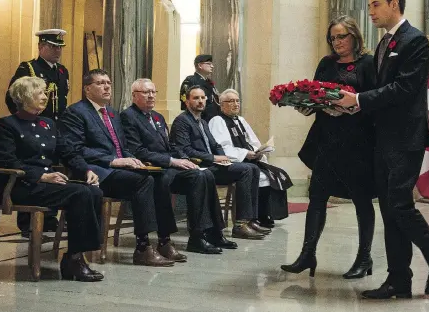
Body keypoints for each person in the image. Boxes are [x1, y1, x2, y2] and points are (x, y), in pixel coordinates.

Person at [334, 0, 429, 298]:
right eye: (369, 5)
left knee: (400, 204)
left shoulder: (416, 41)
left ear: (394, 3)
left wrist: (357, 98)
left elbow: (403, 90)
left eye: (375, 5)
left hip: (406, 138)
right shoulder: (385, 42)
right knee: (389, 209)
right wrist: (344, 103)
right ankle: (398, 280)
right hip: (382, 139)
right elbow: (377, 90)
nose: (370, 12)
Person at [280, 15, 377, 279]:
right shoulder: (326, 63)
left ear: (354, 36)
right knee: (317, 197)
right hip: (327, 139)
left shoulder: (368, 63)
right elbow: (315, 96)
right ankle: (307, 254)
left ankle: (364, 257)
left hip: (357, 142)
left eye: (341, 36)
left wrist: (349, 109)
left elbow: (373, 102)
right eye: (332, 37)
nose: (336, 42)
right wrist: (305, 107)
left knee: (361, 200)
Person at [59, 69, 180, 267]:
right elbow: (75, 149)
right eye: (100, 83)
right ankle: (142, 247)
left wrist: (132, 159)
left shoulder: (113, 113)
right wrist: (112, 161)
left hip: (119, 170)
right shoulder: (76, 112)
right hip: (96, 173)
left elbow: (122, 148)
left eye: (108, 82)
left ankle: (164, 241)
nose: (107, 87)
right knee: (143, 181)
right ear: (87, 89)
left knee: (161, 178)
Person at [0, 76, 103, 282]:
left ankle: (75, 256)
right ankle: (75, 260)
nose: (45, 97)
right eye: (40, 93)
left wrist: (85, 170)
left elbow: (68, 152)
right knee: (79, 193)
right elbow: (7, 161)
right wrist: (42, 175)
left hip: (47, 184)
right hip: (20, 186)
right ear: (25, 97)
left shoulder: (48, 124)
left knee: (94, 190)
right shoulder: (7, 125)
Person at [121, 78, 237, 254]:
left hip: (169, 166)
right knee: (197, 176)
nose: (151, 96)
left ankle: (212, 232)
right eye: (146, 92)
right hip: (153, 169)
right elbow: (138, 151)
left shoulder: (158, 117)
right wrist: (172, 161)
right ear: (134, 95)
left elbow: (171, 147)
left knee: (205, 174)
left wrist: (184, 159)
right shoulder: (128, 116)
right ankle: (188, 238)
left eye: (153, 92)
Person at [170, 86, 270, 240]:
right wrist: (214, 158)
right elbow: (185, 150)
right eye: (196, 98)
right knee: (246, 170)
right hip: (200, 166)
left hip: (213, 165)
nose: (200, 101)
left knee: (252, 168)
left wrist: (225, 158)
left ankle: (250, 219)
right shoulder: (182, 121)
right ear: (187, 101)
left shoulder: (202, 122)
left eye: (203, 98)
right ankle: (240, 225)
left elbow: (215, 145)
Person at [6, 29, 70, 235]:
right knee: (32, 166)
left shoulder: (62, 71)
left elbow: (61, 101)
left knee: (52, 168)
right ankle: (28, 222)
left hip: (53, 127)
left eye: (59, 47)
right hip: (30, 126)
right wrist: (24, 123)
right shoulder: (29, 68)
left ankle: (49, 218)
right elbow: (13, 97)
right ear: (41, 46)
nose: (57, 51)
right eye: (52, 47)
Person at [208, 88, 291, 228]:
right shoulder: (218, 121)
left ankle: (265, 215)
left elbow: (253, 142)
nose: (236, 104)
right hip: (232, 162)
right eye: (231, 101)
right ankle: (255, 217)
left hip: (249, 159)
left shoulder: (241, 120)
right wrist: (245, 153)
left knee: (276, 174)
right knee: (260, 175)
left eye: (237, 101)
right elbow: (222, 148)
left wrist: (260, 151)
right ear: (222, 104)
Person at [179, 54, 220, 122]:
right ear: (200, 65)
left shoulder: (209, 82)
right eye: (209, 64)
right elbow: (185, 102)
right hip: (198, 119)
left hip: (212, 120)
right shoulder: (190, 81)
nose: (212, 66)